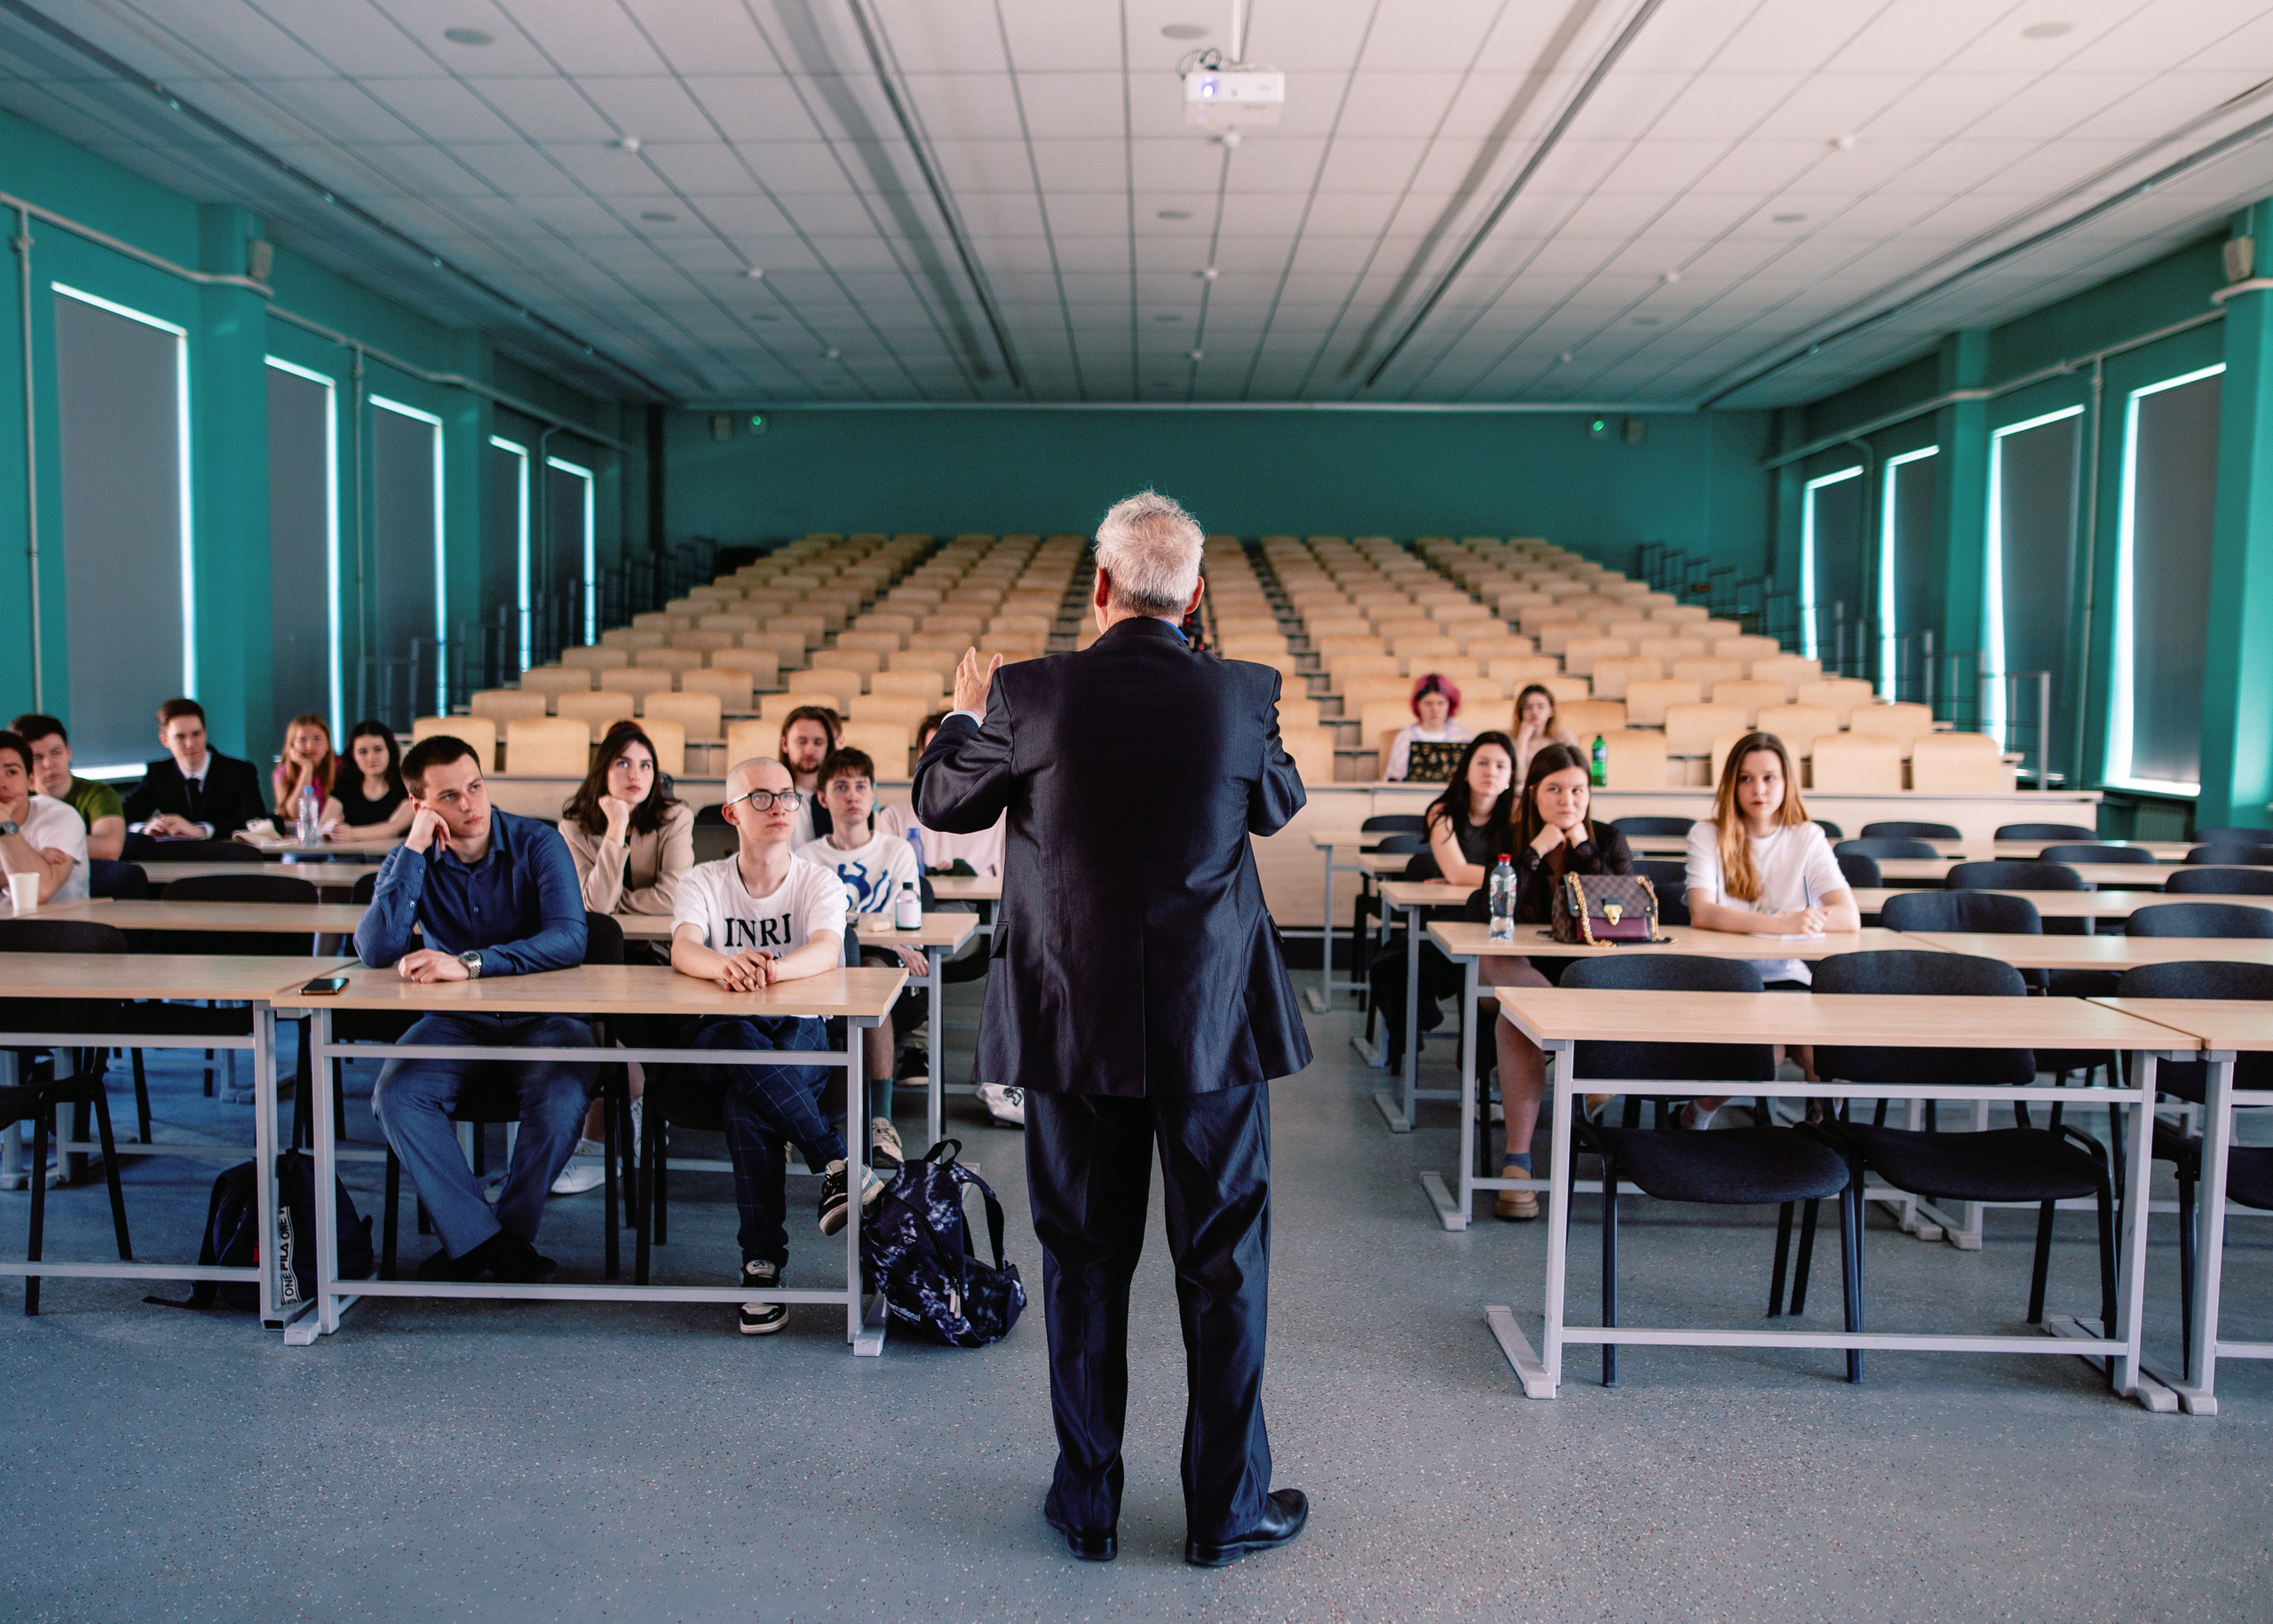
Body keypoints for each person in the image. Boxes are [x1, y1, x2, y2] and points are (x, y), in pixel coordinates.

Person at [915, 488, 1311, 1569]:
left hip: (1069, 1025)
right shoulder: (1244, 694)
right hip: (1212, 1031)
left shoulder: (1027, 694)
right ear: (1192, 600)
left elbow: (944, 801)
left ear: (1099, 588)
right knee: (1224, 1266)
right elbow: (1276, 803)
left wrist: (963, 711)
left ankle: (1086, 1502)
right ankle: (1224, 1510)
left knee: (1084, 1262)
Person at [353, 733, 595, 1284]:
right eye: (450, 797)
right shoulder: (409, 856)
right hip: (455, 1022)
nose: (470, 805)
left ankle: (497, 1237)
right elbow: (376, 949)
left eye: (476, 787)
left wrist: (472, 963)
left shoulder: (539, 842)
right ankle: (488, 1244)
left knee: (562, 1096)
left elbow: (569, 939)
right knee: (397, 1094)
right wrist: (413, 849)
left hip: (546, 1020)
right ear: (420, 806)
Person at [669, 755, 880, 1335]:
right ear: (730, 812)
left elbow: (825, 948)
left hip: (797, 1031)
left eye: (786, 795)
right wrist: (725, 966)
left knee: (747, 1106)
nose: (780, 806)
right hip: (724, 1034)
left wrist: (768, 973)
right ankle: (836, 1159)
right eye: (761, 797)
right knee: (736, 1033)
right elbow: (684, 948)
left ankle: (760, 1265)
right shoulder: (703, 881)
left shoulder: (817, 879)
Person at [1477, 742, 1634, 1218]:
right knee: (1514, 993)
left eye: (1578, 790)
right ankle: (1588, 1054)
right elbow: (1484, 912)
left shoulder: (1608, 840)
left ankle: (1517, 1165)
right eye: (1555, 789)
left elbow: (1623, 913)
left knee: (1516, 1019)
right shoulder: (1509, 836)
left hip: (1584, 975)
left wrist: (1584, 851)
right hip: (1516, 967)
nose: (1568, 800)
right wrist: (1533, 853)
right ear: (1533, 793)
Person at [1682, 732, 1858, 1127]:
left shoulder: (1806, 836)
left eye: (1769, 778)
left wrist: (1803, 922)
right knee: (1768, 1053)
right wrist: (1782, 924)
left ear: (1785, 782)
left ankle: (1820, 1127)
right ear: (1731, 783)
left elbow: (1848, 916)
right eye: (1745, 778)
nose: (1758, 789)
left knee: (1827, 1056)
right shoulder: (1707, 834)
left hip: (1789, 974)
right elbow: (1703, 913)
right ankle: (1696, 1112)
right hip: (1729, 977)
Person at [552, 722, 694, 1193]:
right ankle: (627, 1110)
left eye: (646, 764)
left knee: (611, 1017)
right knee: (582, 1013)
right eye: (623, 763)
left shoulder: (675, 817)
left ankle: (606, 1134)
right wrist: (615, 828)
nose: (637, 774)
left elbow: (676, 896)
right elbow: (591, 911)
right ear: (603, 769)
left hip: (659, 955)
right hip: (593, 958)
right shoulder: (574, 824)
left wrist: (613, 905)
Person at [796, 745, 928, 1129]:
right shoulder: (807, 856)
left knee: (870, 970)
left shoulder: (898, 850)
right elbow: (807, 926)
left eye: (860, 786)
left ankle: (880, 1121)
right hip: (826, 964)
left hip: (885, 970)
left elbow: (907, 919)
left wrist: (867, 935)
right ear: (822, 798)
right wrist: (877, 933)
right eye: (840, 787)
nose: (852, 795)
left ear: (873, 795)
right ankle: (791, 1113)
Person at [875, 712, 1006, 879]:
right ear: (922, 760)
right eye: (934, 753)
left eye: (955, 754)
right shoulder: (893, 818)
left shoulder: (1001, 819)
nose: (944, 765)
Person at [123, 698, 268, 848]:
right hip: (179, 862)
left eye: (196, 734)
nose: (190, 743)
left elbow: (255, 821)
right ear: (165, 740)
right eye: (180, 737)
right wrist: (144, 829)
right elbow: (119, 817)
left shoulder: (239, 771)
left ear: (205, 733)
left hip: (230, 858)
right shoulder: (158, 774)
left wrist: (202, 830)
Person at [10, 713, 124, 861]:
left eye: (56, 753)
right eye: (37, 758)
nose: (48, 764)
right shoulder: (15, 796)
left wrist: (32, 845)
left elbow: (109, 848)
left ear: (68, 752)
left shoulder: (97, 794)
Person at [0, 728, 89, 905]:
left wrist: (3, 821)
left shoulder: (61, 817)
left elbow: (40, 892)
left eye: (11, 772)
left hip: (58, 928)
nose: (2, 784)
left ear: (31, 780)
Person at [330, 720, 415, 837]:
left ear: (390, 750)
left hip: (394, 855)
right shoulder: (345, 783)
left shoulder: (408, 782)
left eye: (378, 749)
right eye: (363, 752)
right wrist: (331, 830)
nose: (371, 758)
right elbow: (324, 823)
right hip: (351, 854)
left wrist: (352, 833)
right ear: (353, 756)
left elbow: (395, 827)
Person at [1384, 672, 1472, 781]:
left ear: (1449, 704)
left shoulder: (1463, 736)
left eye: (1440, 703)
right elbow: (1393, 780)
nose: (1435, 709)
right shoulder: (1404, 737)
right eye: (1428, 703)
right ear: (1418, 704)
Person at [778, 705, 839, 847]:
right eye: (802, 742)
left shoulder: (840, 798)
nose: (809, 750)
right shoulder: (770, 799)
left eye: (818, 742)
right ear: (784, 743)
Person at [271, 712, 340, 829]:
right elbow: (295, 814)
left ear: (328, 743)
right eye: (302, 740)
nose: (310, 746)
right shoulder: (282, 772)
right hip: (299, 838)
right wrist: (307, 769)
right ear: (292, 746)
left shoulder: (340, 767)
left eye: (317, 739)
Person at [1509, 682, 1578, 782]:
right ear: (1520, 712)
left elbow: (1575, 773)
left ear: (1551, 711)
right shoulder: (1510, 738)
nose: (1534, 711)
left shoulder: (1564, 737)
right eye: (1528, 707)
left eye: (1541, 706)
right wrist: (1522, 739)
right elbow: (1518, 778)